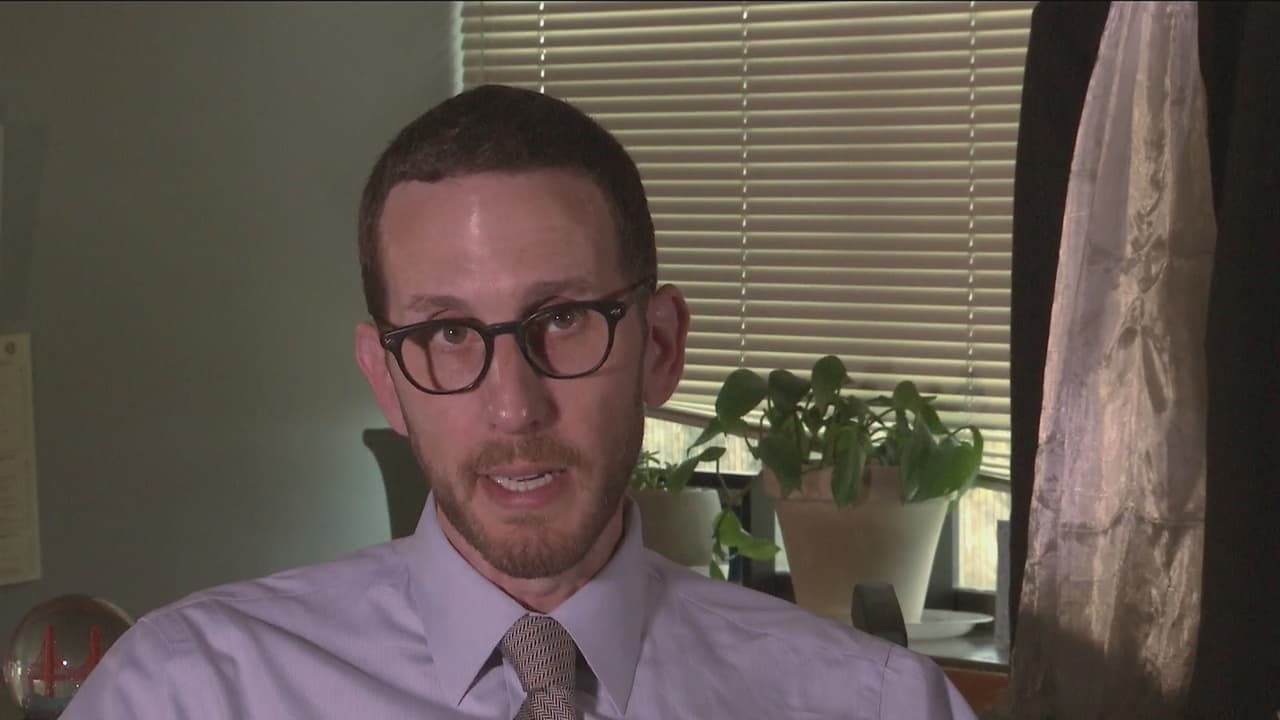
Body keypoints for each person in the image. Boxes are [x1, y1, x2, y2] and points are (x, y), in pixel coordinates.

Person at [62, 84, 976, 719]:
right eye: (447, 333)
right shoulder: (186, 693)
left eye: (565, 319)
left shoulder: (877, 707)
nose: (514, 407)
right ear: (385, 378)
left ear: (659, 348)